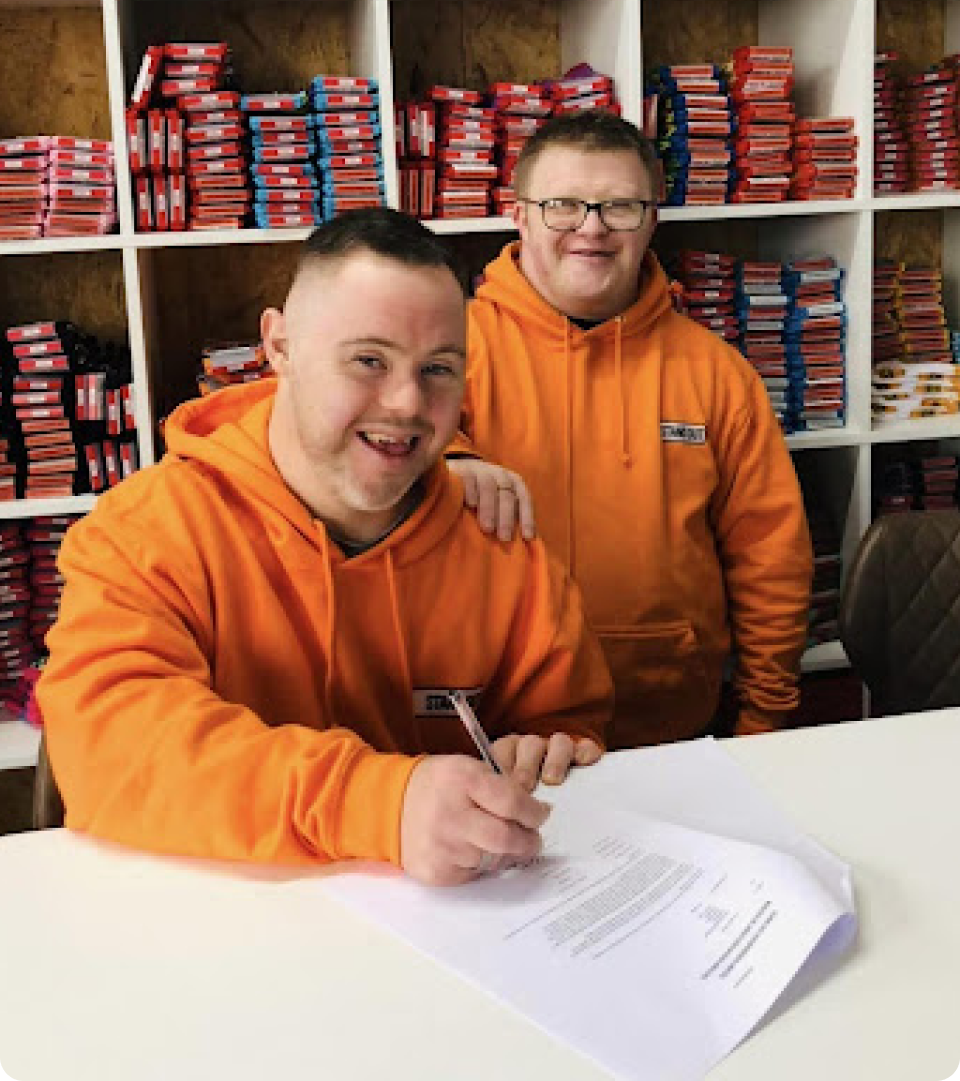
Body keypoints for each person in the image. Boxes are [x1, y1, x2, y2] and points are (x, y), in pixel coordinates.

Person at [38, 209, 612, 886]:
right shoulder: (147, 531)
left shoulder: (501, 541)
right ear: (278, 345)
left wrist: (542, 753)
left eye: (438, 369)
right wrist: (375, 804)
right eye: (368, 360)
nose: (405, 402)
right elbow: (111, 744)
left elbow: (569, 725)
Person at [448, 113, 813, 749]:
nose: (591, 227)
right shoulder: (448, 354)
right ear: (521, 215)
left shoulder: (717, 372)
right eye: (563, 205)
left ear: (651, 221)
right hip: (496, 740)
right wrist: (446, 456)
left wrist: (764, 721)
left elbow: (770, 557)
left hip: (673, 727)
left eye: (620, 206)